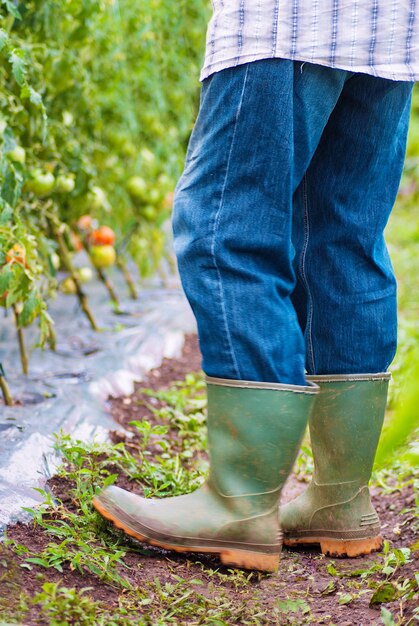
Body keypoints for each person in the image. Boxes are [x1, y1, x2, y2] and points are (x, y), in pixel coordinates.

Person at [93, 2, 418, 572]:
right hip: (389, 34)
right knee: (342, 242)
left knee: (229, 228)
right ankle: (341, 499)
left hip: (285, 24)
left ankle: (239, 503)